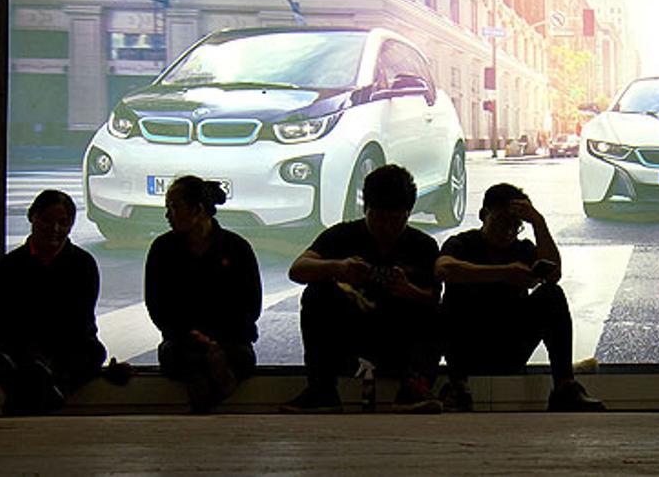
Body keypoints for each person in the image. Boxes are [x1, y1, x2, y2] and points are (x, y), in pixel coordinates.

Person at [281, 164, 442, 414]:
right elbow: (298, 269)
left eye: (396, 220)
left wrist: (408, 290)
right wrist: (338, 267)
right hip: (350, 340)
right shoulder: (341, 236)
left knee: (438, 313)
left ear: (408, 214)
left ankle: (415, 387)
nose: (387, 227)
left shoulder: (423, 245)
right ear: (366, 210)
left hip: (398, 342)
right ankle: (322, 389)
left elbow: (433, 299)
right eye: (379, 218)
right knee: (316, 295)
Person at [436, 183, 605, 412]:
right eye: (501, 222)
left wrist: (537, 221)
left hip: (509, 343)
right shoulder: (462, 243)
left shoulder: (523, 249)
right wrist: (503, 273)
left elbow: (554, 273)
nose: (507, 231)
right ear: (484, 215)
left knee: (551, 294)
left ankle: (565, 386)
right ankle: (457, 386)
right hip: (468, 346)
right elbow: (443, 269)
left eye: (515, 225)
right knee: (444, 303)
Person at [145, 175, 262, 413]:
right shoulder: (163, 249)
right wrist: (194, 337)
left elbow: (250, 305)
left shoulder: (236, 247)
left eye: (174, 207)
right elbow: (157, 306)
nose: (168, 215)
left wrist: (215, 340)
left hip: (231, 341)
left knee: (217, 363)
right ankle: (220, 388)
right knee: (185, 358)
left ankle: (202, 417)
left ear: (198, 210)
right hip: (181, 341)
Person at [0, 190, 106, 414]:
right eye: (47, 221)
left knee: (92, 352)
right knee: (7, 359)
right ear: (32, 217)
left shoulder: (83, 264)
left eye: (63, 223)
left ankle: (35, 390)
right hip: (22, 347)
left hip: (67, 348)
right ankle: (51, 391)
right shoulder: (9, 266)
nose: (54, 229)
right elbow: (1, 321)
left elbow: (80, 321)